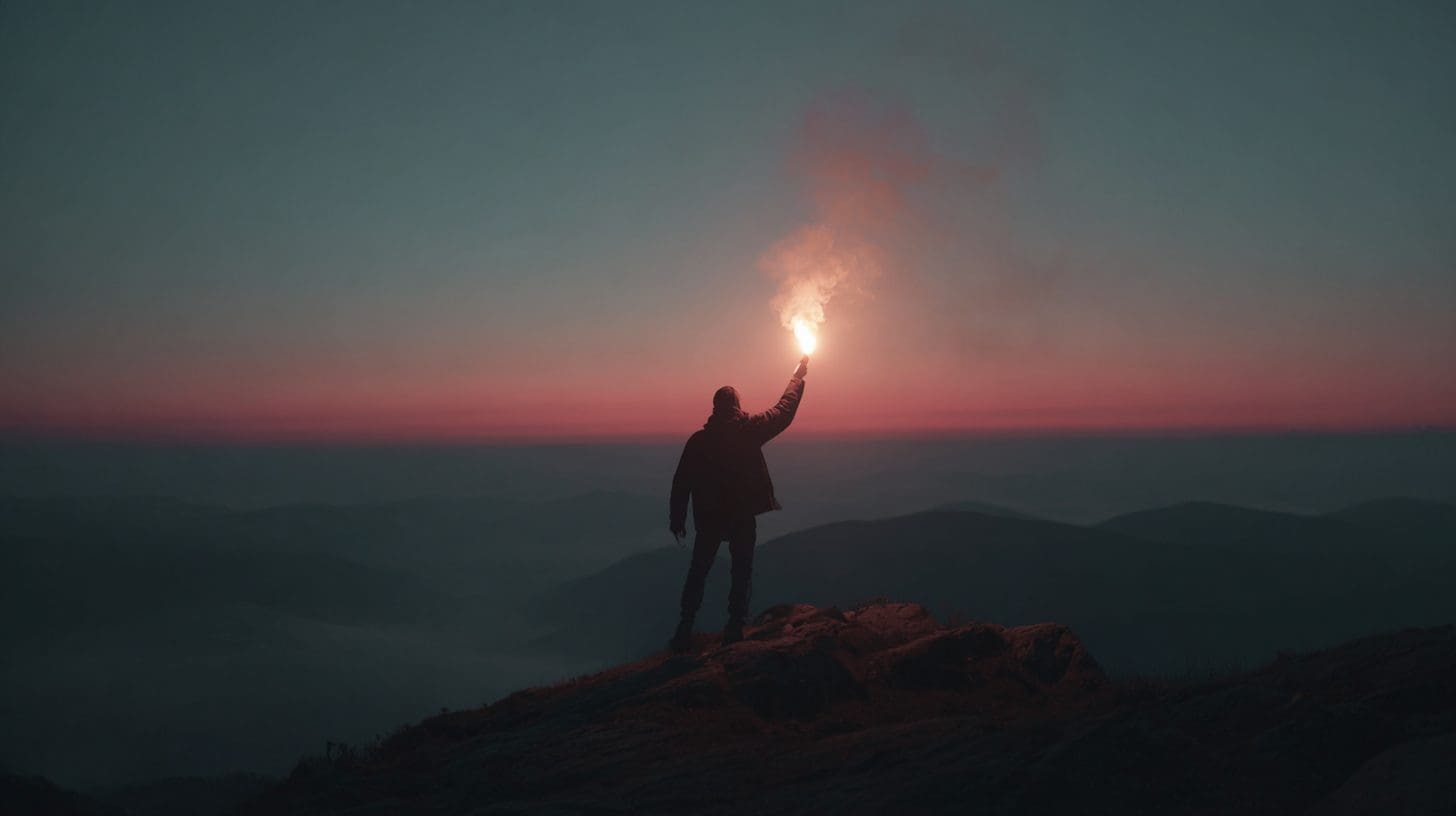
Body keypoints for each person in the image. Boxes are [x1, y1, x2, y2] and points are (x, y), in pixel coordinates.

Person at [668, 355, 809, 652]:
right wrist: (796, 379)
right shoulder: (750, 429)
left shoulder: (699, 441)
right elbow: (783, 412)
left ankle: (684, 627)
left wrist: (677, 520)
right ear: (737, 405)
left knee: (699, 572)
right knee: (741, 570)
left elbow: (681, 483)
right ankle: (734, 627)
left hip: (709, 518)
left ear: (715, 407)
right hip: (742, 515)